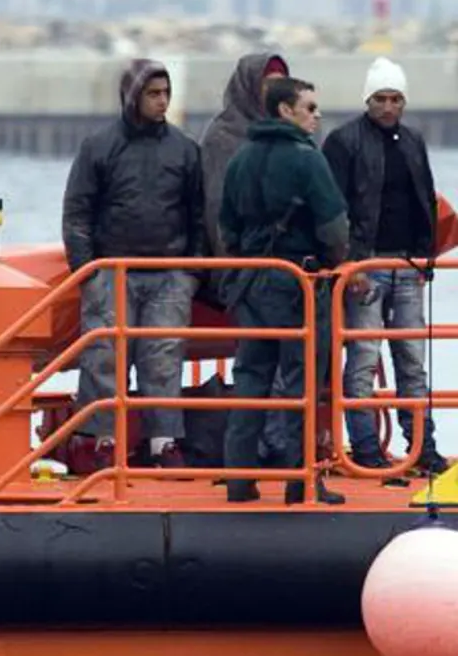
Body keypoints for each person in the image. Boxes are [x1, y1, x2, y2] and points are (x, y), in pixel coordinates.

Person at [62, 58, 205, 473]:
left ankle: (163, 443)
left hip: (170, 273)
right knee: (104, 356)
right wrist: (87, 272)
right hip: (111, 270)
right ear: (132, 96)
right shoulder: (99, 147)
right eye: (153, 94)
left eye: (166, 94)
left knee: (164, 356)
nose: (161, 102)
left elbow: (198, 215)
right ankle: (102, 442)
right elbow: (77, 213)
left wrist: (190, 273)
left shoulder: (184, 148)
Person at [218, 77, 347, 505]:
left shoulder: (239, 159)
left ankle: (239, 480)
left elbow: (226, 227)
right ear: (284, 111)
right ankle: (299, 481)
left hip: (251, 280)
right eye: (309, 107)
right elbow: (334, 228)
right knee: (301, 381)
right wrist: (332, 264)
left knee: (250, 377)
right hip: (298, 283)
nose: (317, 115)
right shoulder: (307, 160)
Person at [322, 57, 449, 476]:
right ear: (367, 99)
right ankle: (365, 448)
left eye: (396, 98)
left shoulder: (413, 141)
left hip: (407, 263)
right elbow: (334, 207)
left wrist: (425, 256)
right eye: (380, 98)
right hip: (365, 264)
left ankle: (421, 447)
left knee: (412, 358)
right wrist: (349, 263)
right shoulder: (343, 142)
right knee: (363, 357)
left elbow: (425, 197)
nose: (388, 106)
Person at [199, 52, 291, 465]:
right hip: (245, 274)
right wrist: (231, 270)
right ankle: (251, 455)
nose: (273, 89)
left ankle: (279, 446)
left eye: (280, 82)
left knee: (285, 362)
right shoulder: (223, 137)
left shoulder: (290, 134)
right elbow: (218, 209)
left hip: (284, 272)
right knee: (256, 365)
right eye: (267, 81)